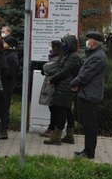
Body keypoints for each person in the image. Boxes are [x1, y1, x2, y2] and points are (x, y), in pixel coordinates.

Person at [71, 31, 108, 159]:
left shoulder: (98, 56)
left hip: (90, 94)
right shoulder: (94, 54)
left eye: (89, 39)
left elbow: (87, 74)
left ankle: (89, 152)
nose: (87, 41)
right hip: (87, 93)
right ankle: (87, 150)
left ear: (94, 42)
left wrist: (75, 82)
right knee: (87, 124)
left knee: (90, 124)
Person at [44, 35, 81, 145]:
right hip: (64, 86)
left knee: (60, 111)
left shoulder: (72, 57)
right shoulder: (69, 56)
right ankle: (69, 136)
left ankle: (56, 137)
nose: (62, 45)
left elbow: (64, 71)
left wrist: (52, 80)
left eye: (64, 43)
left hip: (64, 87)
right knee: (67, 110)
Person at [0, 36, 20, 139]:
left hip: (7, 85)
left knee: (4, 107)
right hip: (4, 84)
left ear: (10, 45)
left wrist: (2, 74)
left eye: (5, 43)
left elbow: (10, 72)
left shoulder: (12, 57)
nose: (3, 44)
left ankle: (4, 130)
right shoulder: (7, 54)